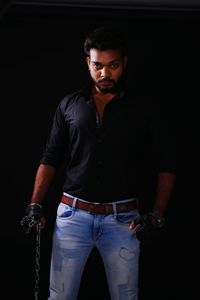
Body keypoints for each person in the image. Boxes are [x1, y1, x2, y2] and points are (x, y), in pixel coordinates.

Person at [21, 26, 176, 300]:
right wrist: (35, 203)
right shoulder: (69, 104)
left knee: (126, 297)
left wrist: (157, 214)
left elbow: (167, 163)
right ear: (88, 64)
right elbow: (50, 157)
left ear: (124, 63)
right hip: (71, 217)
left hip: (123, 220)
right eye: (98, 65)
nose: (105, 73)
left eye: (113, 65)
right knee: (59, 297)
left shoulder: (143, 108)